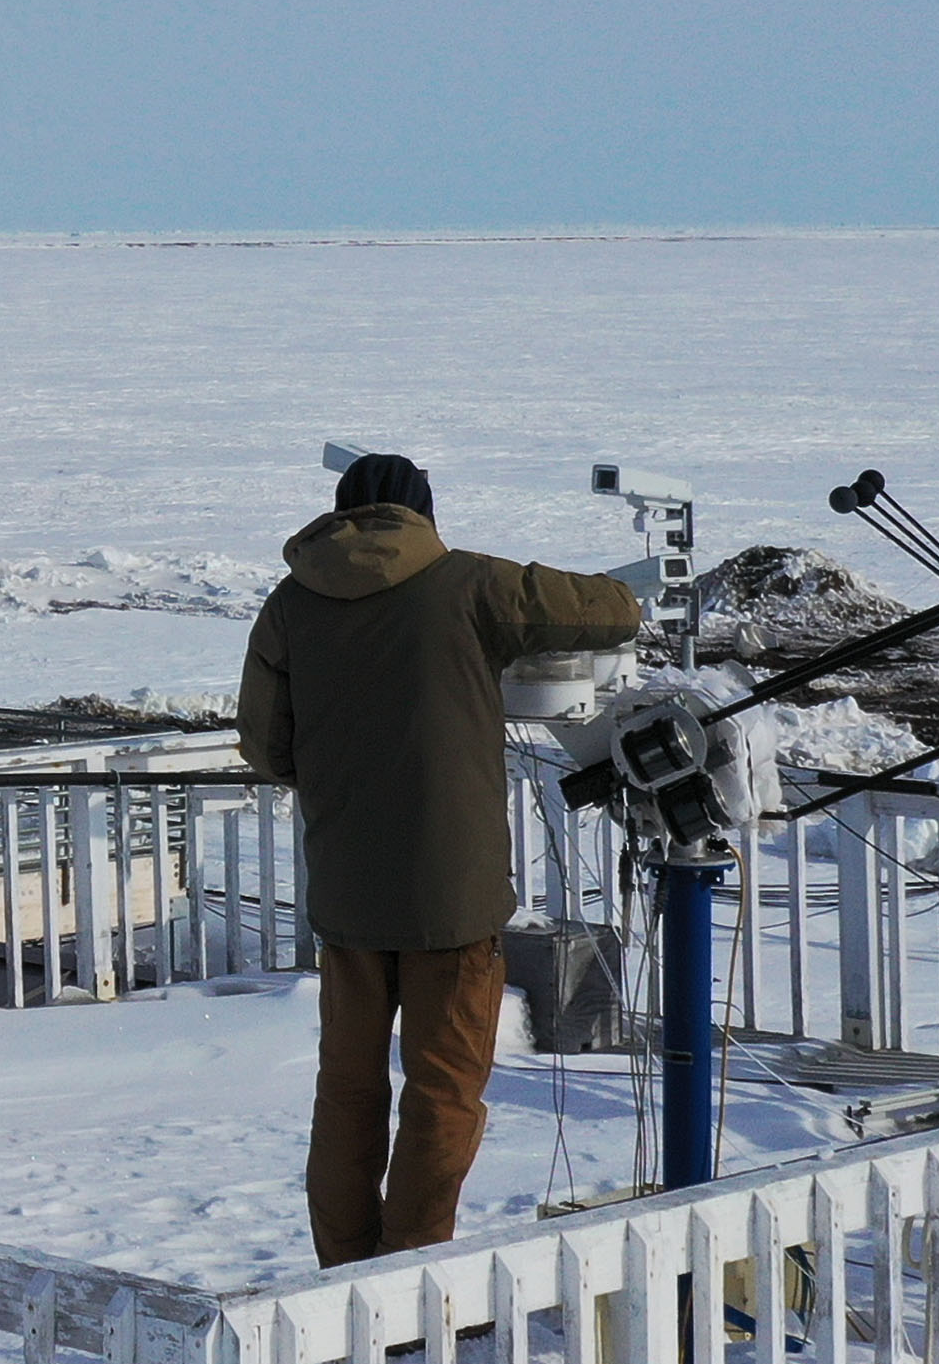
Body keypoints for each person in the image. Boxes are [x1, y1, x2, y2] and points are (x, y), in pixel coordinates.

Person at [239, 453, 643, 1267]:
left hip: (348, 896)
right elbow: (613, 610)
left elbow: (266, 746)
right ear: (421, 513)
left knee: (348, 1093)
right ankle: (409, 1270)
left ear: (342, 515)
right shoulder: (471, 586)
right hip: (453, 899)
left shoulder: (289, 607)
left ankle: (343, 1273)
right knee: (444, 1094)